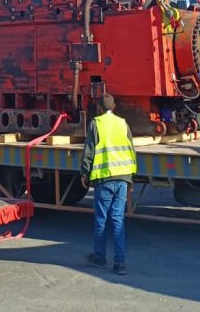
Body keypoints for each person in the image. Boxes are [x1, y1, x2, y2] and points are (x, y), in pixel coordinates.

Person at [80, 94, 136, 275]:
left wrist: (84, 173)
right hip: (122, 178)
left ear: (98, 108)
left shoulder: (96, 123)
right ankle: (120, 264)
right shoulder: (123, 123)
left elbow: (89, 150)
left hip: (104, 179)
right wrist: (130, 178)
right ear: (115, 106)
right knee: (118, 220)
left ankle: (100, 258)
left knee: (101, 220)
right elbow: (131, 150)